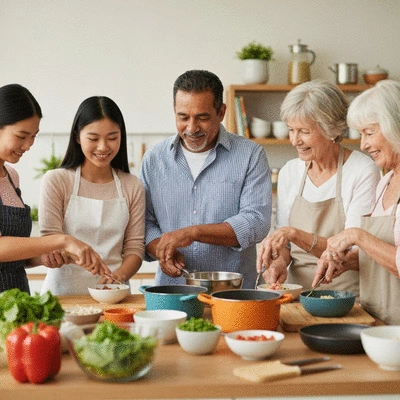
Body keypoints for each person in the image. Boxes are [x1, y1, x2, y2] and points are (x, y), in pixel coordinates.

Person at [140, 69, 271, 289]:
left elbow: (256, 221)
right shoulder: (154, 159)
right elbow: (143, 223)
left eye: (202, 117)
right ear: (174, 111)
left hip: (234, 295)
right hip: (172, 291)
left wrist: (194, 232)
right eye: (183, 117)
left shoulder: (250, 155)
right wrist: (161, 251)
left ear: (221, 112)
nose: (191, 128)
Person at [256, 80, 381, 296]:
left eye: (304, 131)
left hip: (346, 298)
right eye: (291, 130)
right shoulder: (290, 172)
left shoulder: (362, 171)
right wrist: (278, 264)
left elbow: (353, 252)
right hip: (295, 296)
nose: (295, 140)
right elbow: (285, 247)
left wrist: (293, 234)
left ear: (330, 129)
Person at [0, 84, 110, 294]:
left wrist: (44, 256)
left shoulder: (11, 176)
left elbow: (15, 256)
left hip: (17, 300)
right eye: (22, 136)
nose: (28, 145)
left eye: (34, 136)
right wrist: (63, 240)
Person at [314, 80, 400, 325]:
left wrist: (357, 235)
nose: (363, 145)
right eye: (361, 135)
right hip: (379, 322)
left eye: (369, 133)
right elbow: (383, 253)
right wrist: (347, 262)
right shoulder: (386, 181)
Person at [39, 96, 145, 295]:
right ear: (78, 137)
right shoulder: (57, 181)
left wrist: (119, 276)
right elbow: (51, 240)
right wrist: (62, 254)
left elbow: (135, 248)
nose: (103, 147)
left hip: (113, 295)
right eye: (93, 138)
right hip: (63, 295)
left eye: (112, 138)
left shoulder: (132, 186)